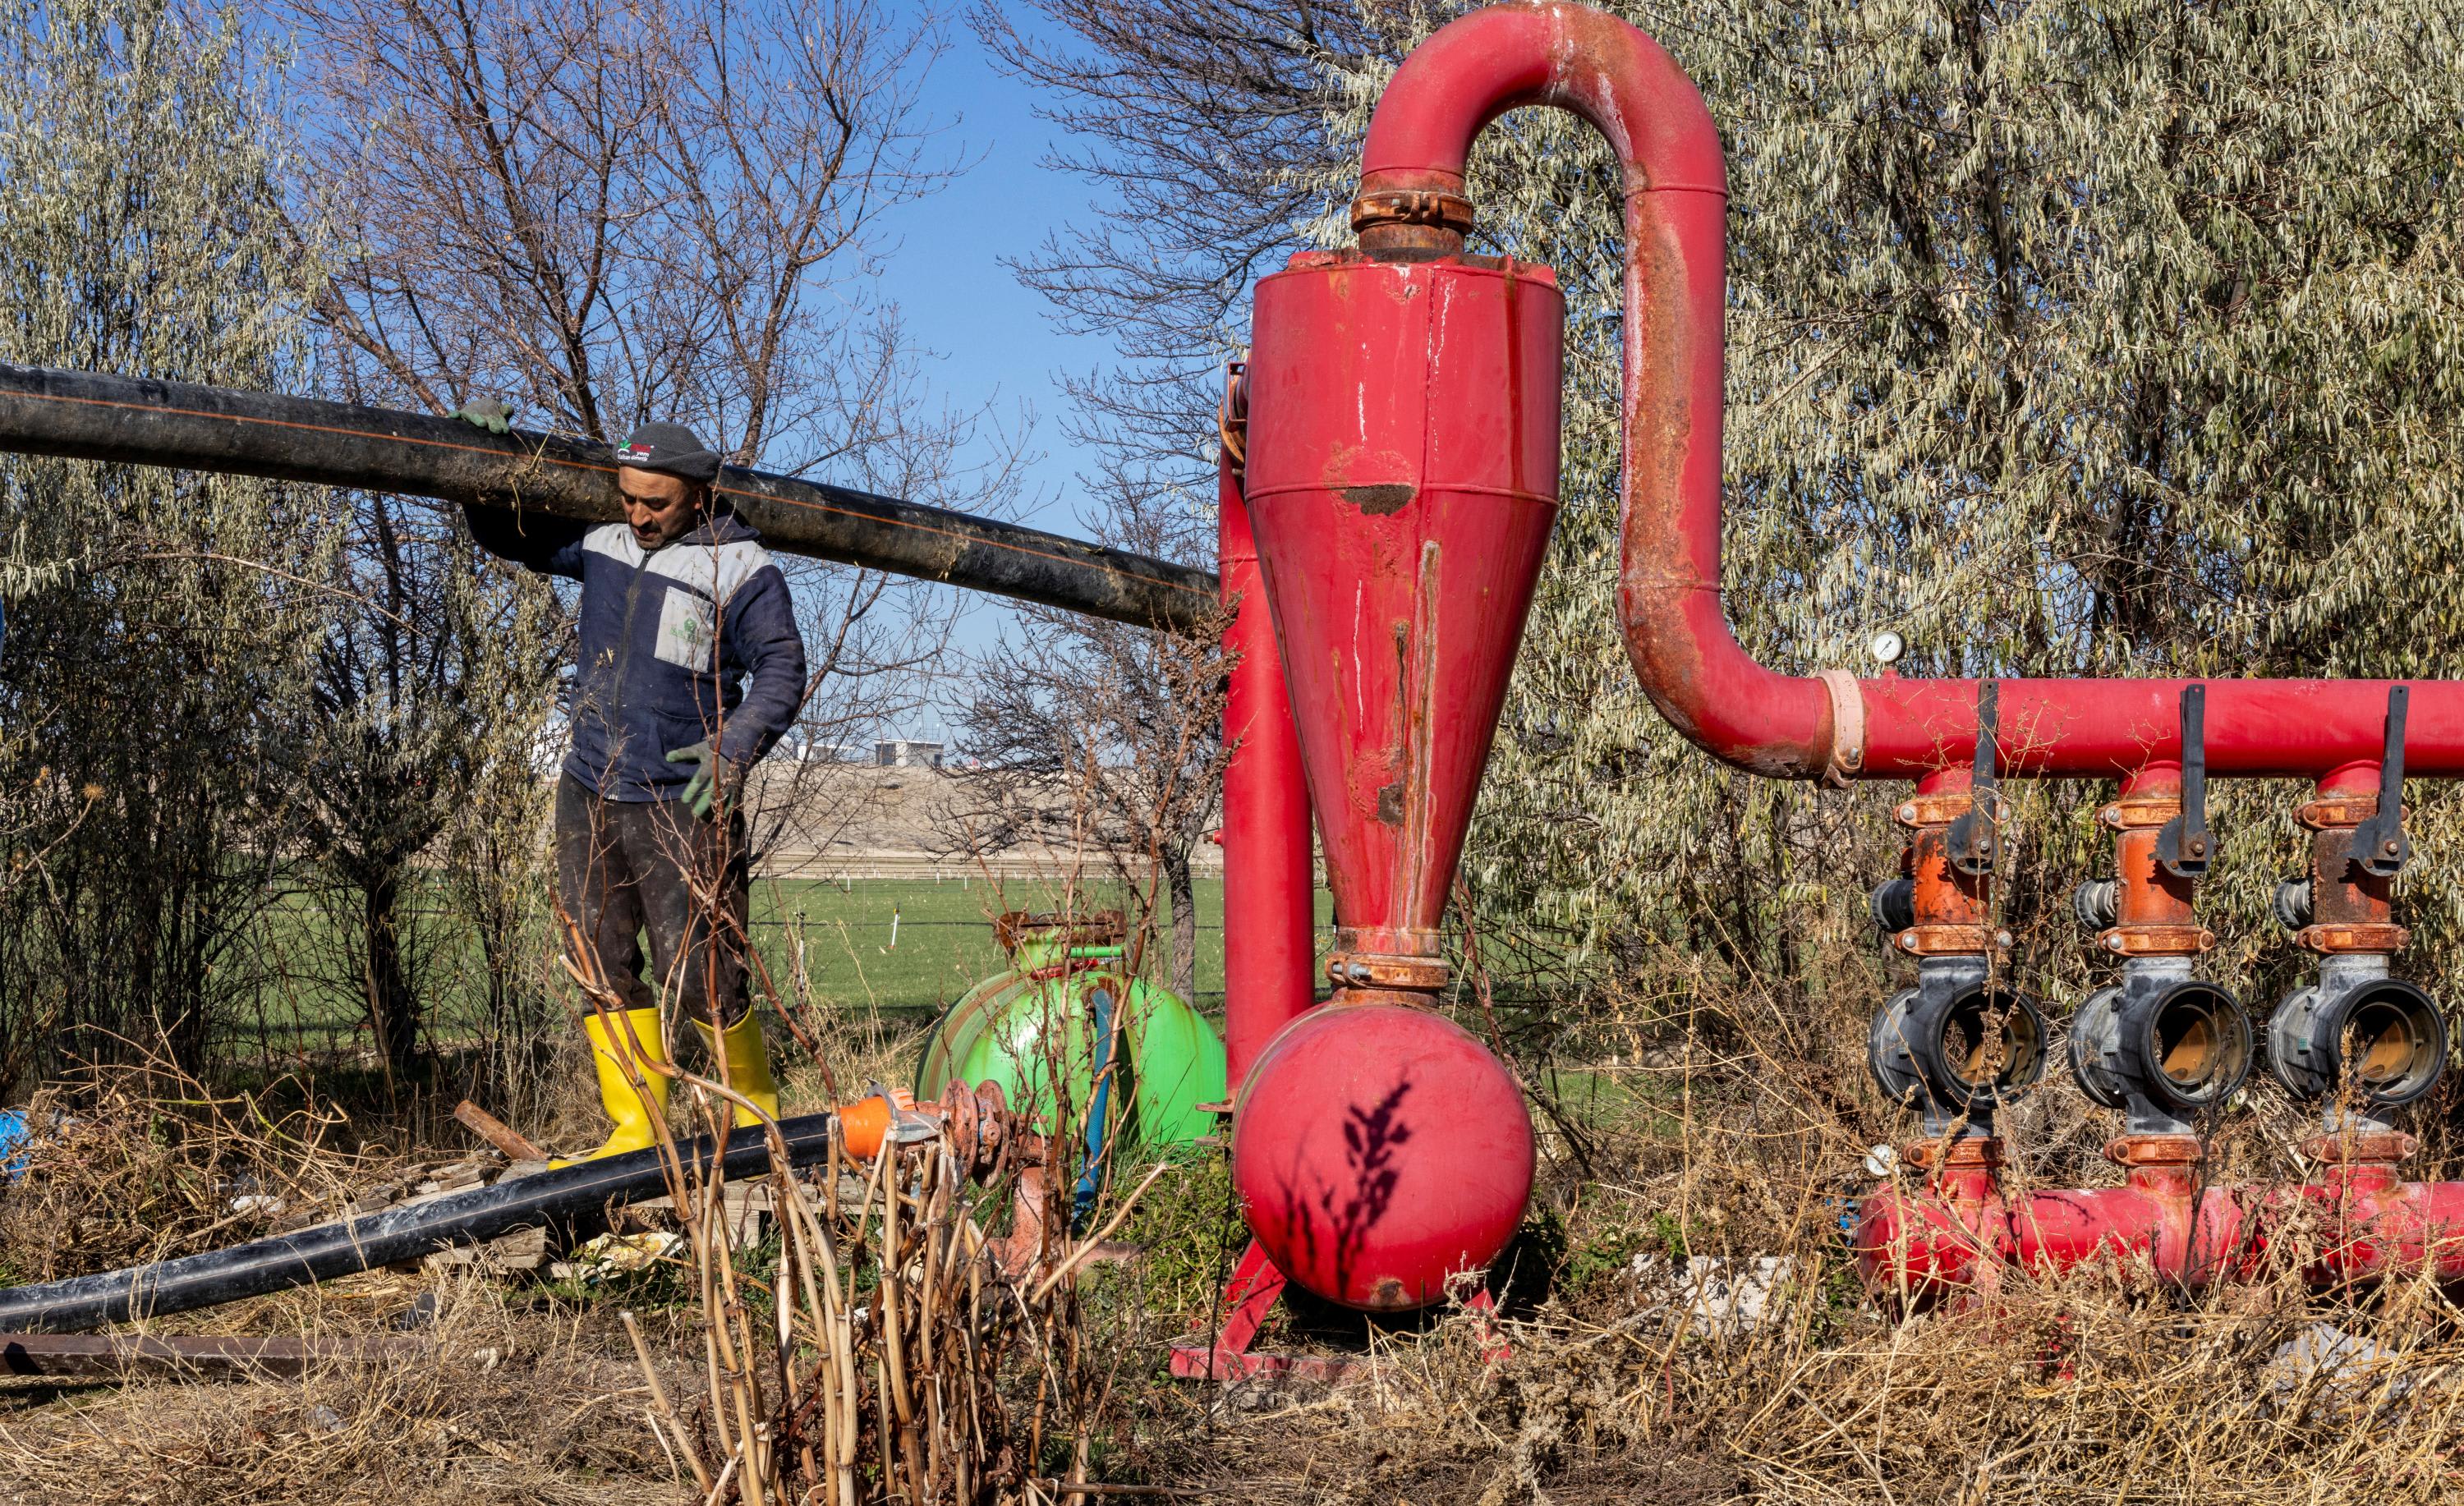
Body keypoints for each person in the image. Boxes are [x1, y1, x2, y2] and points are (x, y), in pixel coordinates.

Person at [458, 403, 807, 1159]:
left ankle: (752, 1131)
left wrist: (733, 746)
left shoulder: (743, 570)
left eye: (658, 502)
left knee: (704, 973)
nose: (640, 516)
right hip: (589, 788)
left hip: (682, 799)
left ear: (699, 495)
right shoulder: (603, 542)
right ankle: (637, 1132)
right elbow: (509, 537)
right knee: (597, 960)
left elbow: (783, 667)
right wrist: (478, 467)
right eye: (629, 498)